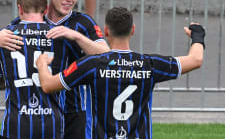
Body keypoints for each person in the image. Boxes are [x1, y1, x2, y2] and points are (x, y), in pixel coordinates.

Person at [0, 0, 110, 139]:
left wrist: (76, 36)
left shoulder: (83, 22)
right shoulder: (21, 23)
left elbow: (107, 56)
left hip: (75, 111)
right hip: (43, 114)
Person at [36, 7, 205, 139]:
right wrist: (197, 35)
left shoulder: (91, 64)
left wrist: (42, 64)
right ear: (132, 30)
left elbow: (48, 85)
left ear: (106, 31)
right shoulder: (149, 65)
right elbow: (196, 59)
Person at [0, 0, 64, 139]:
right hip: (51, 126)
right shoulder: (60, 37)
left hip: (15, 126)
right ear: (46, 9)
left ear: (19, 9)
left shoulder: (4, 37)